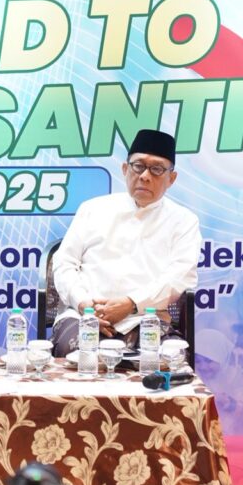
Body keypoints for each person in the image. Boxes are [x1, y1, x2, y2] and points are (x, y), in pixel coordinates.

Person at [51, 129, 201, 356]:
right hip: (85, 316)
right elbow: (64, 263)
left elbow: (180, 276)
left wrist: (131, 303)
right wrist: (84, 304)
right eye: (138, 166)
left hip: (145, 318)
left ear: (171, 179)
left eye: (157, 169)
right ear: (124, 169)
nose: (145, 176)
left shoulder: (184, 221)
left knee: (168, 359)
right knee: (77, 351)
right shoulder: (92, 209)